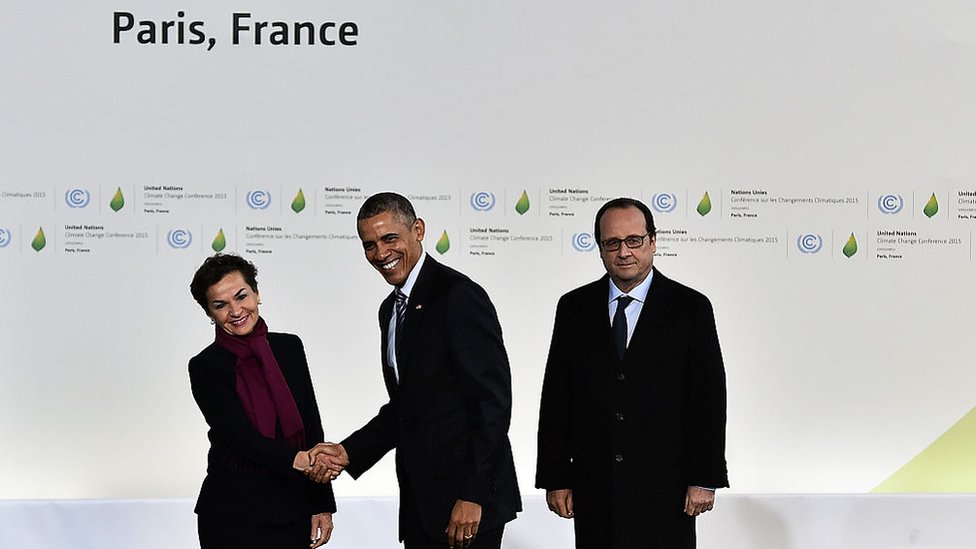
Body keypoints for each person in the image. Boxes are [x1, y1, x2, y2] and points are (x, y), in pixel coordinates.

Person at [312, 192, 521, 549]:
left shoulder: (458, 296)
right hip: (421, 504)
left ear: (418, 230)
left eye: (389, 238)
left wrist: (474, 495)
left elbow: (491, 403)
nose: (380, 254)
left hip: (466, 507)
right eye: (369, 245)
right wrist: (348, 452)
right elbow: (408, 407)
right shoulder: (389, 310)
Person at [535, 197, 729, 549]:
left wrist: (705, 477)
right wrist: (556, 476)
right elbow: (557, 398)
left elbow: (708, 399)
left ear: (652, 242)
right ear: (600, 248)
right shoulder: (574, 308)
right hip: (595, 485)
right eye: (612, 243)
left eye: (634, 241)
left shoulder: (691, 308)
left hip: (667, 488)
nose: (624, 252)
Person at [188, 253, 338, 549]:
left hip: (292, 508)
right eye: (220, 305)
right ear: (210, 314)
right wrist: (297, 460)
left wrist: (322, 502)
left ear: (256, 294)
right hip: (232, 515)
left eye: (241, 296)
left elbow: (311, 425)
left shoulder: (289, 347)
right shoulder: (205, 365)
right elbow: (238, 436)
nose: (235, 310)